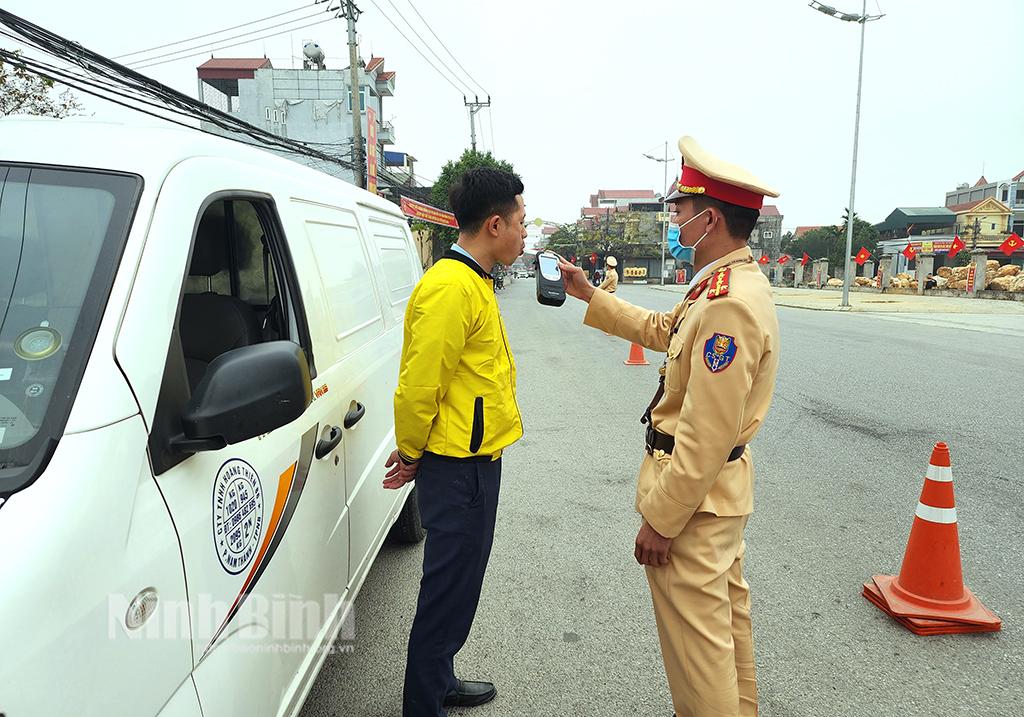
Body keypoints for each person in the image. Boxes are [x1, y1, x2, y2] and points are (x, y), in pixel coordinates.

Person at [558, 136, 780, 717]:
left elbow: (705, 437)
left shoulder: (728, 303)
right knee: (726, 641)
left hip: (694, 511)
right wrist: (590, 296)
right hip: (717, 504)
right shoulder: (719, 285)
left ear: (710, 220)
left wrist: (660, 520)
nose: (673, 217)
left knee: (698, 661)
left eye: (681, 208)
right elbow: (664, 329)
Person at [383, 167, 527, 717]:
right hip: (456, 465)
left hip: (477, 459)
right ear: (494, 224)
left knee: (463, 582)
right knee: (447, 589)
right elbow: (420, 384)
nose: (523, 233)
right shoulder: (450, 286)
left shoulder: (474, 280)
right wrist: (413, 451)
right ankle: (423, 704)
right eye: (519, 222)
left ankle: (439, 678)